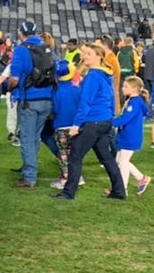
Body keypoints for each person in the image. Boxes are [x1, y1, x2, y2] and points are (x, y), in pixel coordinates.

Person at [53, 43, 126, 201]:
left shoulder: (93, 76)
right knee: (106, 158)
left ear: (98, 57)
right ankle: (119, 190)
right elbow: (110, 97)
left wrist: (76, 125)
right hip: (104, 121)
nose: (84, 56)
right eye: (84, 53)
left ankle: (68, 192)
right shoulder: (106, 74)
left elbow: (85, 102)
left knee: (75, 156)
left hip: (92, 122)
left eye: (88, 53)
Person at [9, 21, 53, 189]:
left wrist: (9, 87)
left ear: (20, 33)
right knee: (34, 137)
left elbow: (14, 78)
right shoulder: (46, 48)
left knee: (26, 139)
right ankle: (29, 168)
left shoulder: (21, 50)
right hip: (47, 99)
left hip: (29, 100)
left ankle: (29, 177)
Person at [113, 76, 151, 196]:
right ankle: (141, 178)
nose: (123, 89)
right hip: (127, 135)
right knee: (119, 161)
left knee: (123, 162)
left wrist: (110, 123)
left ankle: (122, 189)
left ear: (134, 89)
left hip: (130, 136)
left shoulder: (134, 103)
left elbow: (125, 119)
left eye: (126, 86)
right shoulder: (133, 101)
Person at [50, 60, 80, 190]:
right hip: (75, 126)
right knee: (74, 153)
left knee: (63, 154)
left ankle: (65, 179)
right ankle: (77, 176)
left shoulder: (55, 91)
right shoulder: (77, 89)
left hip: (60, 125)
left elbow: (53, 109)